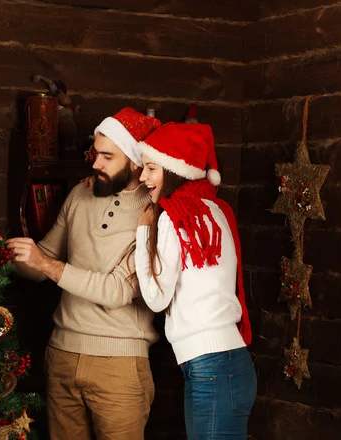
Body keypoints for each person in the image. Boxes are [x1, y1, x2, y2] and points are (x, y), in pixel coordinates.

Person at [6, 108, 160, 440]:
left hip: (119, 365)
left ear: (135, 162)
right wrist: (6, 254)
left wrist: (44, 263)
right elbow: (42, 261)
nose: (95, 164)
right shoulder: (80, 194)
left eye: (107, 156)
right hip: (62, 355)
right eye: (95, 153)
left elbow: (117, 290)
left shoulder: (153, 211)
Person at [135, 121, 256, 439]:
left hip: (211, 367)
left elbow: (156, 298)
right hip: (226, 363)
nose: (143, 177)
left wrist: (143, 230)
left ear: (173, 170)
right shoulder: (216, 210)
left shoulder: (175, 218)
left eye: (151, 168)